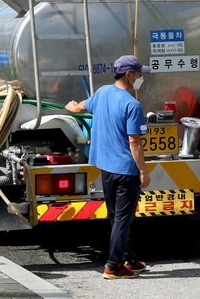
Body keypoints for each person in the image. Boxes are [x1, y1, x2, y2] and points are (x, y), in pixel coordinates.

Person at [65, 55, 151, 279]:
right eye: (139, 74)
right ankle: (113, 266)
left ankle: (130, 259)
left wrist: (72, 106)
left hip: (106, 167)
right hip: (126, 170)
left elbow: (81, 106)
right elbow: (135, 142)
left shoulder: (102, 92)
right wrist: (143, 171)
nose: (141, 77)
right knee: (123, 218)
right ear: (129, 75)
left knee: (117, 217)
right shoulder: (132, 104)